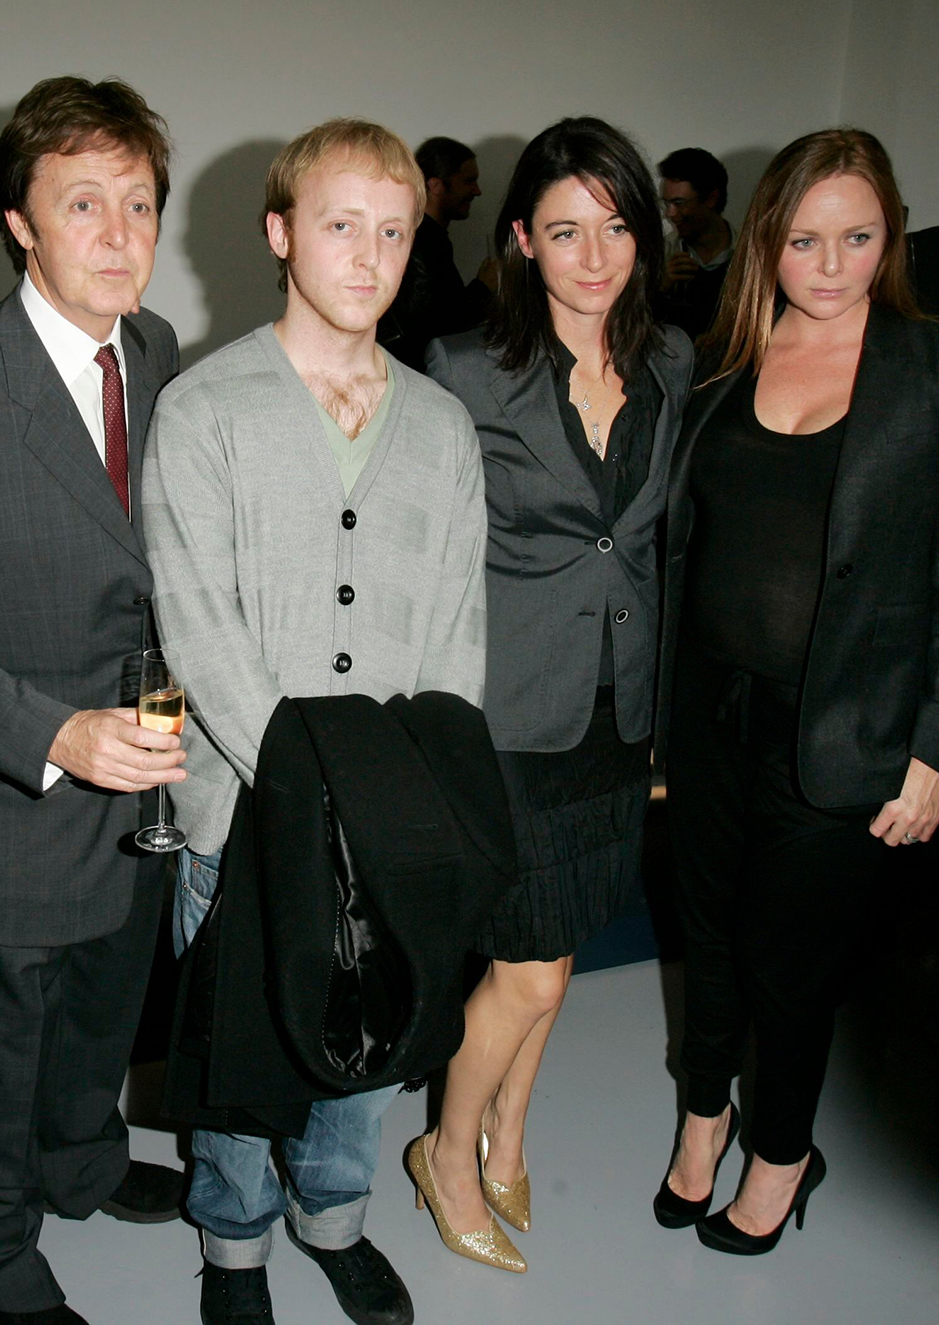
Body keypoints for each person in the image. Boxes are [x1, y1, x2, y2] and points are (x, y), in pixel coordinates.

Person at [142, 118, 488, 1325]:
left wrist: (416, 807)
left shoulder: (443, 429)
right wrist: (306, 784)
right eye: (341, 224)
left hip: (391, 820)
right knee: (248, 1050)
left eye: (395, 231)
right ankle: (231, 1243)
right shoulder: (205, 410)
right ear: (282, 233)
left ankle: (332, 1217)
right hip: (245, 808)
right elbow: (197, 625)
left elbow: (457, 632)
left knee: (373, 1037)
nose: (369, 254)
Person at [652, 128, 939, 1254]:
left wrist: (932, 744)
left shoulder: (924, 371)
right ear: (768, 240)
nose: (830, 264)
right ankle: (701, 1117)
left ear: (890, 237)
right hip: (711, 709)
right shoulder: (719, 367)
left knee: (792, 963)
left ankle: (782, 1152)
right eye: (806, 239)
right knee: (706, 937)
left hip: (847, 726)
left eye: (858, 237)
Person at [418, 116, 693, 1270]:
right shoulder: (463, 369)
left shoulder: (673, 362)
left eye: (617, 226)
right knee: (522, 962)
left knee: (564, 951)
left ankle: (508, 1132)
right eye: (566, 229)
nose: (594, 254)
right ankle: (444, 1147)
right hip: (506, 713)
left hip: (616, 711)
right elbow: (423, 552)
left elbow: (661, 546)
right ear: (522, 237)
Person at [0, 77, 184, 1325]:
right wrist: (56, 735)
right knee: (1, 1041)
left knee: (105, 1000)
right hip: (18, 786)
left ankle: (82, 1160)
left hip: (140, 773)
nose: (118, 232)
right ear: (19, 223)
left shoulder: (153, 349)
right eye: (82, 202)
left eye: (138, 202)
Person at [380, 136, 496, 370]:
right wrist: (484, 287)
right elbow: (435, 328)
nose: (478, 191)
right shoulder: (422, 242)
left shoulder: (427, 237)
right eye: (468, 181)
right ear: (435, 185)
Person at [657, 148, 734, 340]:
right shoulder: (660, 253)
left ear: (711, 198)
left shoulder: (751, 254)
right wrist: (660, 289)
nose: (670, 214)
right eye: (666, 204)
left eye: (679, 203)